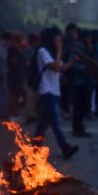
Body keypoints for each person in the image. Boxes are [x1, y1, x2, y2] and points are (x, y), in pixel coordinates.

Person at [34, 27, 79, 160]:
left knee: (42, 124)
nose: (59, 42)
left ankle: (35, 147)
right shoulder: (42, 51)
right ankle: (65, 147)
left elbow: (62, 68)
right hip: (46, 90)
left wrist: (73, 61)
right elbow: (56, 67)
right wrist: (59, 50)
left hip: (53, 91)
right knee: (55, 122)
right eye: (57, 40)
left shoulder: (52, 53)